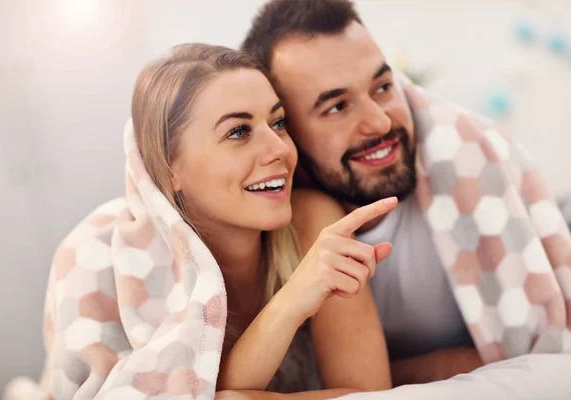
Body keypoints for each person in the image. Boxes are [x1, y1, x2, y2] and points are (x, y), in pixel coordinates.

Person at [21, 43, 397, 399]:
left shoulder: (312, 224)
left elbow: (370, 394)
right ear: (168, 169)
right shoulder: (95, 256)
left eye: (278, 122)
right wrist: (289, 303)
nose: (280, 149)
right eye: (238, 131)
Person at [240, 0, 571, 388]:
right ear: (287, 132)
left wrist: (413, 370)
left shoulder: (466, 160)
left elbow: (546, 339)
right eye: (337, 107)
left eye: (382, 87)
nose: (380, 121)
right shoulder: (299, 220)